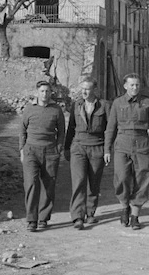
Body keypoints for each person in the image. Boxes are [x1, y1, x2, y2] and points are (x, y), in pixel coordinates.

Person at [104, 73, 149, 230]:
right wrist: (107, 149)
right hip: (122, 143)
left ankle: (135, 215)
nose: (135, 87)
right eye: (132, 85)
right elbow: (110, 128)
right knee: (121, 177)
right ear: (125, 86)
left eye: (137, 85)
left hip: (142, 143)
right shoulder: (117, 103)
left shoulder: (147, 102)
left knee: (142, 178)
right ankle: (124, 206)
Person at [64, 77, 111, 230]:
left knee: (94, 182)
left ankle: (90, 212)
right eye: (82, 88)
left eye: (87, 89)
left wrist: (108, 149)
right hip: (78, 146)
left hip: (97, 146)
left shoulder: (104, 106)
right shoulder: (76, 105)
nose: (84, 92)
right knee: (78, 181)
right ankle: (78, 216)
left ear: (94, 90)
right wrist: (66, 147)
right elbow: (71, 127)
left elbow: (110, 129)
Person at [19, 80, 65, 232]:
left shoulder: (56, 110)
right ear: (37, 92)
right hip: (31, 150)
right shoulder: (29, 109)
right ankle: (32, 219)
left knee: (48, 185)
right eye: (42, 91)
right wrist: (22, 150)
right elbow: (22, 131)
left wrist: (58, 149)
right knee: (31, 184)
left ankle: (43, 218)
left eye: (47, 91)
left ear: (51, 92)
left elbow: (61, 132)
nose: (44, 94)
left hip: (50, 151)